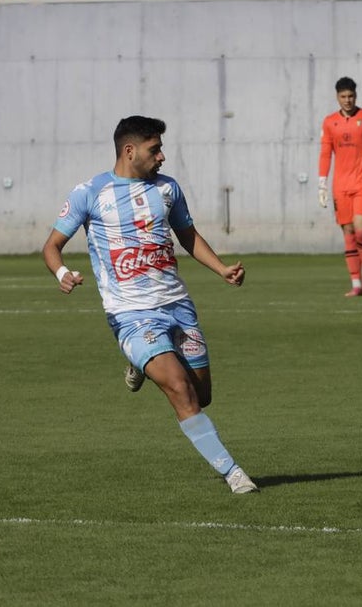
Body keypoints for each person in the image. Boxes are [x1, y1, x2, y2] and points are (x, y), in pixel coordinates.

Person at [41, 116, 258, 494]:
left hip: (177, 304)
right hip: (130, 313)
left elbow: (187, 234)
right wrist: (62, 274)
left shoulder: (168, 189)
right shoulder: (89, 193)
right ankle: (234, 473)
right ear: (130, 151)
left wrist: (221, 269)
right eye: (154, 149)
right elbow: (51, 246)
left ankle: (137, 361)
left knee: (201, 394)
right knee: (179, 389)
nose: (162, 156)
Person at [318, 76, 362, 297]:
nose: (347, 100)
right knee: (348, 233)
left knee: (361, 230)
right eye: (343, 97)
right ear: (337, 97)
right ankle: (356, 283)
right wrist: (322, 183)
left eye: (351, 96)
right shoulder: (330, 122)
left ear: (355, 96)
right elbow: (325, 153)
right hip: (341, 185)